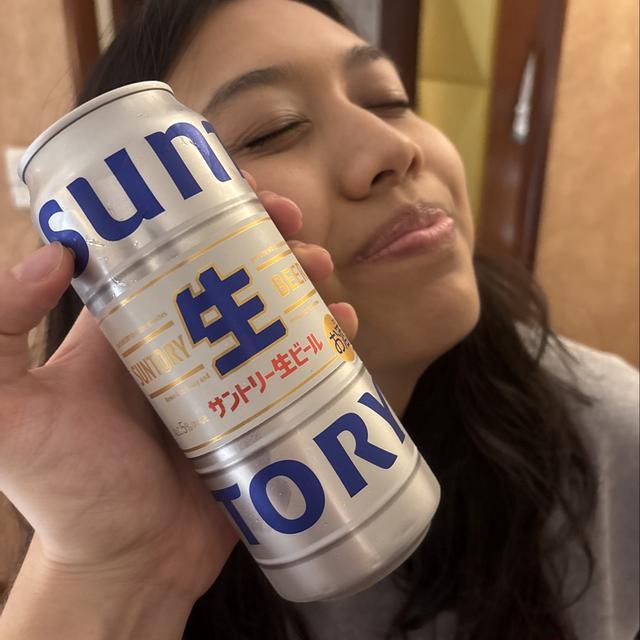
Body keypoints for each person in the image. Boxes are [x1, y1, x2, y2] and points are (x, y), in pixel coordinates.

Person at [0, 1, 637, 639]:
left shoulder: (607, 430)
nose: (394, 148)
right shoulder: (127, 529)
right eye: (274, 130)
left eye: (389, 100)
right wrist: (111, 577)